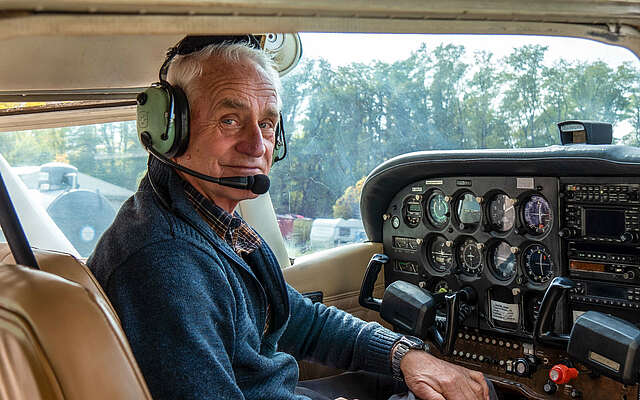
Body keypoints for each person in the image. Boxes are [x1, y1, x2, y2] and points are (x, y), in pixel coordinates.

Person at [88, 37, 494, 400]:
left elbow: (298, 318)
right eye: (230, 120)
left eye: (266, 123)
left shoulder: (210, 220)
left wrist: (404, 355)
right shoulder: (166, 259)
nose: (256, 144)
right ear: (169, 130)